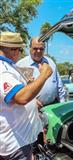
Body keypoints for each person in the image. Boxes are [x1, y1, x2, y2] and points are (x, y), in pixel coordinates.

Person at [0, 31, 52, 160]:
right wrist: (44, 75)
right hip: (15, 142)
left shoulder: (8, 66)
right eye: (19, 49)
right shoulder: (4, 70)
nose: (20, 53)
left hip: (19, 139)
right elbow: (21, 98)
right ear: (13, 50)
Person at [17, 37, 66, 106]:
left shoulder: (50, 62)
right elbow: (18, 92)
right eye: (35, 48)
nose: (38, 51)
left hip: (52, 106)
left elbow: (59, 85)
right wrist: (31, 101)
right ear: (29, 48)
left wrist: (62, 103)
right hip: (32, 108)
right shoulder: (21, 65)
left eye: (41, 49)